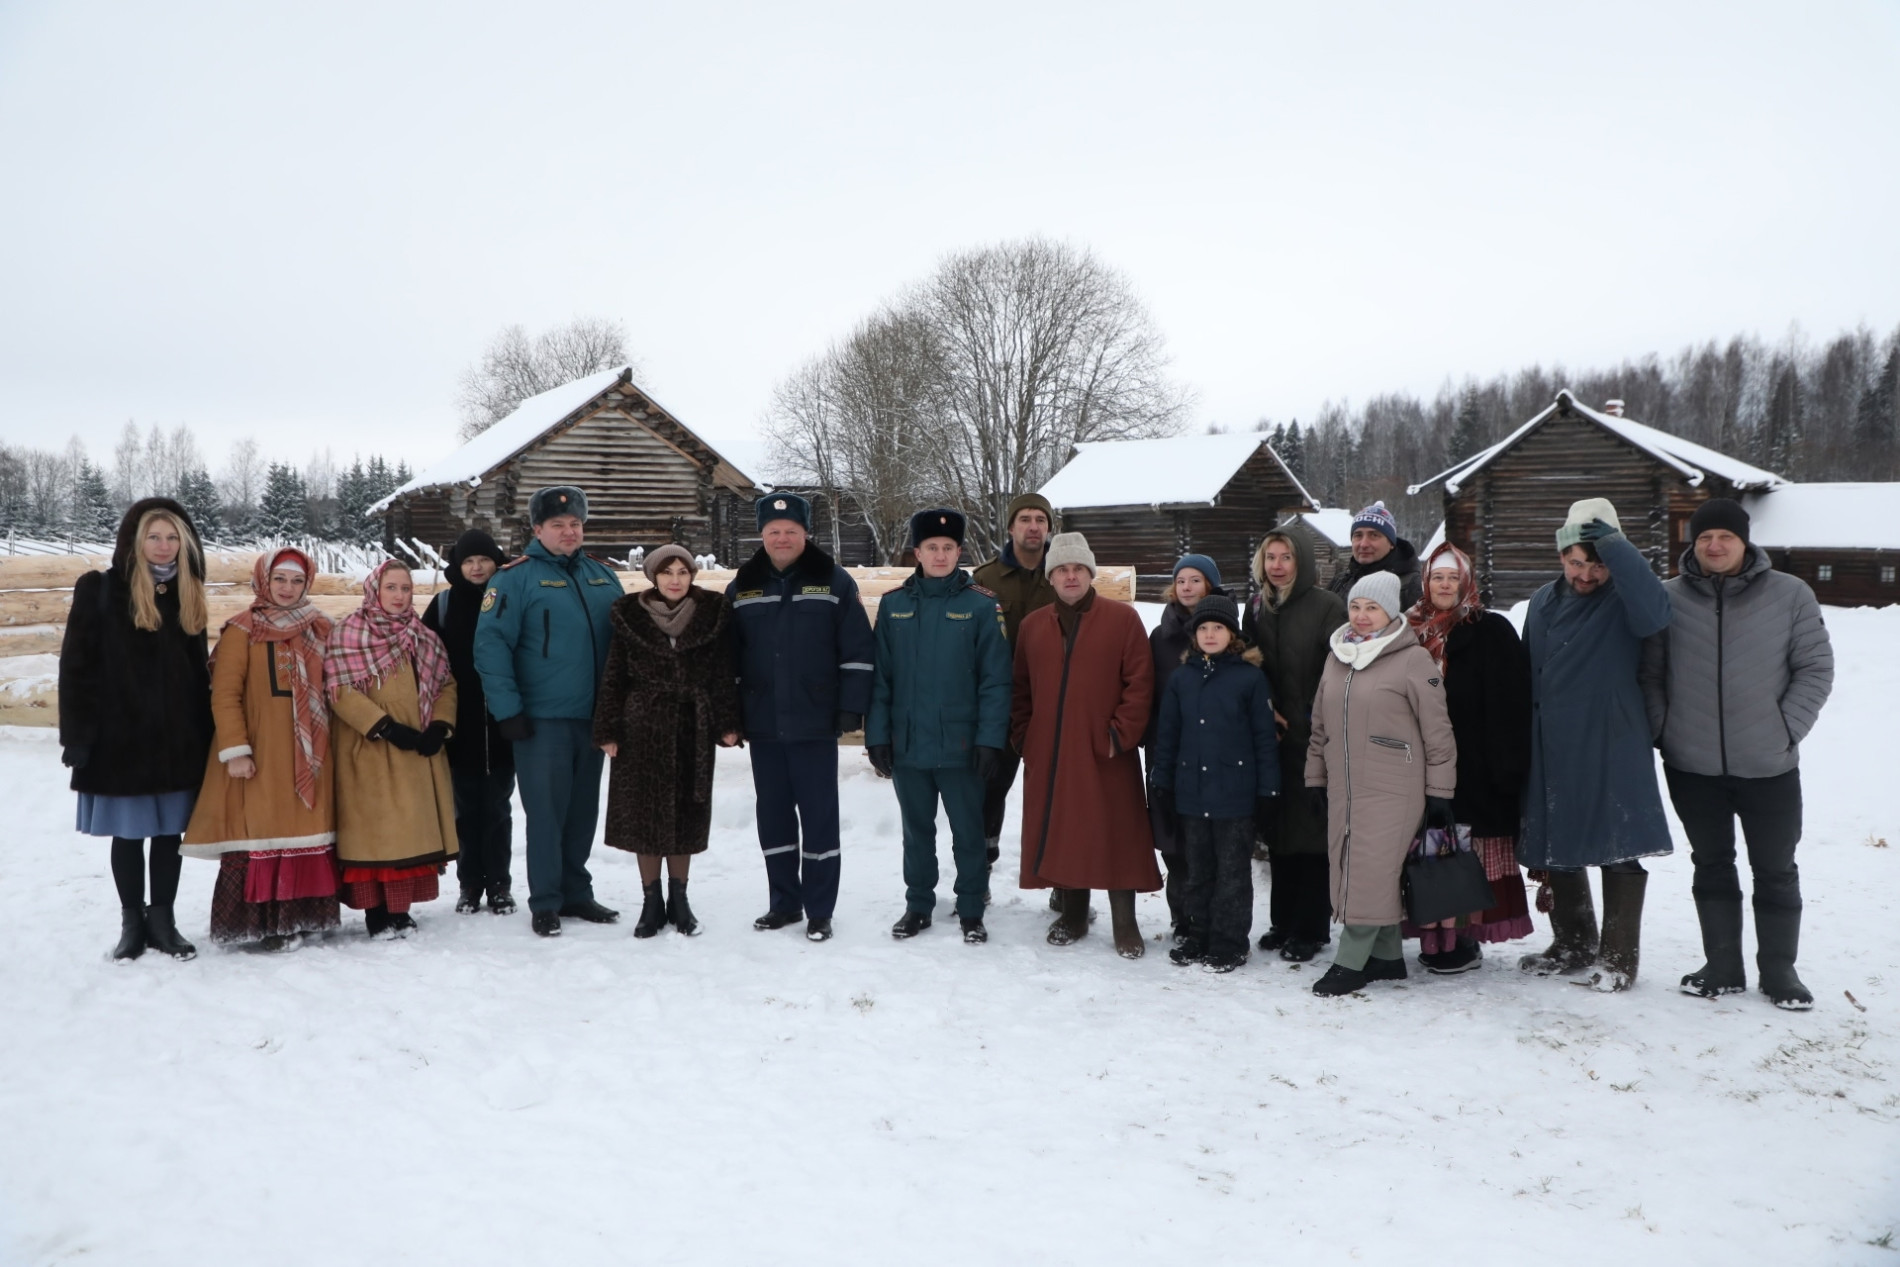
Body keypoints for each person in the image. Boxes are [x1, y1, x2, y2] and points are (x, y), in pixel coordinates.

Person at [1641, 497, 1834, 1010]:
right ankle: (1723, 966)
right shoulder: (1669, 598)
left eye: (1725, 536)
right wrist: (1665, 731)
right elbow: (1652, 673)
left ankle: (1779, 972)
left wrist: (1785, 729)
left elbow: (1815, 669)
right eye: (1704, 537)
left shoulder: (1790, 595)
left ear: (1745, 541)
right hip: (1691, 764)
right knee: (1711, 863)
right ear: (1693, 543)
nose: (1715, 545)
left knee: (1775, 869)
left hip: (1768, 765)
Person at [1518, 498, 1673, 992]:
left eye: (1598, 563)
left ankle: (1618, 959)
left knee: (1617, 844)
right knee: (1558, 839)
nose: (1585, 574)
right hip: (1551, 739)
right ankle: (1573, 944)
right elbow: (1530, 668)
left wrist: (1615, 545)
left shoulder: (1625, 598)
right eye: (1575, 561)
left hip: (1610, 737)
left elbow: (1656, 614)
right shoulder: (1543, 599)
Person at [58, 498, 214, 961]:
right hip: (120, 740)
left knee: (169, 836)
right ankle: (132, 924)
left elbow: (196, 674)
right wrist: (78, 737)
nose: (164, 546)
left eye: (172, 538)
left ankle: (162, 921)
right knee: (129, 836)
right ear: (135, 541)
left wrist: (208, 735)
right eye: (154, 537)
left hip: (177, 740)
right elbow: (76, 666)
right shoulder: (100, 590)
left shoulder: (189, 590)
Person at [474, 486, 625, 937]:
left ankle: (576, 892)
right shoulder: (514, 579)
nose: (569, 531)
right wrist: (508, 711)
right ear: (538, 529)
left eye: (575, 524)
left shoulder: (603, 576)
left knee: (582, 811)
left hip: (595, 717)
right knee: (546, 812)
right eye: (558, 525)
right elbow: (490, 646)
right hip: (541, 720)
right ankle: (545, 900)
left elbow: (626, 645)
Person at [728, 493, 877, 942]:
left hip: (816, 720)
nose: (782, 537)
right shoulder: (744, 585)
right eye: (773, 531)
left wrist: (851, 706)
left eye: (791, 530)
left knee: (818, 819)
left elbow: (857, 650)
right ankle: (784, 904)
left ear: (806, 533)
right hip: (763, 721)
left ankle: (819, 909)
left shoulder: (833, 580)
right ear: (761, 535)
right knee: (772, 817)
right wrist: (730, 713)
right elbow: (728, 657)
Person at [1306, 572, 1457, 997]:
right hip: (1346, 784)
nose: (1362, 615)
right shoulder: (1339, 656)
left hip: (1396, 786)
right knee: (1355, 863)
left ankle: (1350, 961)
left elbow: (1438, 732)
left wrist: (1440, 793)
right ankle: (1388, 957)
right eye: (1356, 606)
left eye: (1372, 607)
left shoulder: (1412, 660)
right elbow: (1319, 725)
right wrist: (1315, 777)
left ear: (1390, 612)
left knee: (1370, 870)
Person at [1011, 531, 1160, 957]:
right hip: (1052, 751)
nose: (1070, 576)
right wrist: (1026, 736)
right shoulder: (1033, 626)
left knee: (1117, 832)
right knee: (1064, 829)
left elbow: (1140, 684)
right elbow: (1020, 689)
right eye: (1061, 569)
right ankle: (1074, 914)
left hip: (1106, 750)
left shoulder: (1122, 619)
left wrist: (1118, 735)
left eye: (1078, 569)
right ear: (1051, 577)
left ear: (1090, 574)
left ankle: (1125, 921)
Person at [182, 549, 340, 949]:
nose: (288, 589)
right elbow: (225, 694)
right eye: (280, 580)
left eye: (297, 581)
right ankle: (265, 923)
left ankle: (304, 917)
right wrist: (236, 749)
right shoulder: (242, 629)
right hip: (262, 755)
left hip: (311, 753)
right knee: (264, 832)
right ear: (263, 581)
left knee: (306, 830)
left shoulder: (320, 628)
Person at [867, 509, 1012, 944]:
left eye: (949, 548)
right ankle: (918, 906)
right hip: (908, 743)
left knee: (968, 832)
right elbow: (881, 679)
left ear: (960, 552)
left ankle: (970, 908)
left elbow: (996, 681)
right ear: (917, 552)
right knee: (917, 832)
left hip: (962, 745)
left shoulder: (982, 606)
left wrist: (990, 740)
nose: (941, 554)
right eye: (932, 547)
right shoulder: (894, 606)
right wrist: (877, 735)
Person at [595, 544, 743, 939]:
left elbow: (721, 672)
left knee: (686, 813)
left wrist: (727, 722)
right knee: (645, 815)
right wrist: (607, 730)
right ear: (653, 576)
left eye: (683, 571)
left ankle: (680, 900)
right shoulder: (629, 616)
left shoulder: (711, 613)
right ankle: (650, 902)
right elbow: (614, 675)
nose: (675, 579)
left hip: (692, 725)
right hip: (641, 725)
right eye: (667, 572)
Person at [1401, 542, 1533, 973]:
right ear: (1425, 581)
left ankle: (1461, 939)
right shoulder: (1408, 631)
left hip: (1476, 768)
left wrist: (1507, 769)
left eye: (1452, 577)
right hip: (1416, 766)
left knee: (1463, 854)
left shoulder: (1490, 629)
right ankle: (1432, 936)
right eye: (1436, 577)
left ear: (1467, 583)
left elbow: (1511, 702)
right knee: (1426, 853)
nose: (1443, 585)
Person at [324, 560, 460, 937]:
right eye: (391, 588)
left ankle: (400, 911)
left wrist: (440, 726)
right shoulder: (349, 633)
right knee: (375, 833)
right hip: (368, 751)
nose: (399, 596)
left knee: (409, 831)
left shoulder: (423, 636)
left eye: (405, 589)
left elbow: (446, 684)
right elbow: (339, 689)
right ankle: (375, 912)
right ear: (375, 590)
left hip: (417, 751)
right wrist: (383, 726)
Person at [1148, 594, 1278, 972]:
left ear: (1231, 634)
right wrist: (1163, 781)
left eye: (1217, 627)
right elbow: (1167, 736)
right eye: (1202, 628)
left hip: (1235, 797)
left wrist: (1268, 790)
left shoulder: (1249, 679)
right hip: (1191, 793)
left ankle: (1230, 941)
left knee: (1233, 874)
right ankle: (1198, 934)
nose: (1209, 634)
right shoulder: (1181, 679)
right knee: (1197, 870)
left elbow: (1264, 739)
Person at [1243, 525, 1347, 962]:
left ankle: (1310, 927)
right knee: (1280, 834)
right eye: (1271, 558)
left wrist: (1315, 716)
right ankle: (1282, 921)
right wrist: (1264, 709)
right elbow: (1251, 665)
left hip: (1316, 734)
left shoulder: (1327, 606)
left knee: (1313, 834)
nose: (1278, 566)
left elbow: (1343, 666)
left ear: (1301, 561)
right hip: (1275, 738)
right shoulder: (1258, 608)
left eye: (1286, 557)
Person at [422, 529, 517, 915]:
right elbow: (425, 664)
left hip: (502, 723)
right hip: (458, 724)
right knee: (465, 808)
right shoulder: (444, 605)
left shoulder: (510, 598)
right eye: (469, 561)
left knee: (497, 807)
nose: (477, 567)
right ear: (458, 566)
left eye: (484, 560)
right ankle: (469, 885)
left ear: (496, 562)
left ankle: (499, 885)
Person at [969, 492, 1058, 887]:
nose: (1033, 526)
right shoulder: (985, 579)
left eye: (1041, 519)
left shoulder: (1064, 574)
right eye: (1025, 518)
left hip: (1054, 706)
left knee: (1060, 794)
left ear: (1050, 528)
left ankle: (1065, 884)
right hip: (999, 708)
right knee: (988, 791)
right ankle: (980, 873)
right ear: (1010, 527)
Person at [1143, 554, 1224, 938]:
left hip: (1214, 751)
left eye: (1196, 580)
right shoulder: (1160, 637)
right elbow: (1146, 691)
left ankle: (1212, 916)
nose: (1187, 587)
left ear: (1210, 585)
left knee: (1209, 840)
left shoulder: (1224, 632)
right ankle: (1182, 917)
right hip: (1166, 749)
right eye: (1181, 581)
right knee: (1173, 841)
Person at [1327, 501, 1423, 615]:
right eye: (1358, 535)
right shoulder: (1340, 582)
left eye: (1374, 535)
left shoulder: (1411, 586)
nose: (1363, 544)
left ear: (1391, 543)